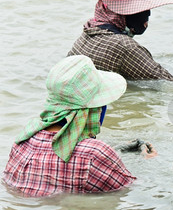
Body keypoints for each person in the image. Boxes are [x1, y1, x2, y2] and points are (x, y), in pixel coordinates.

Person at [2, 55, 155, 197]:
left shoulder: (23, 140)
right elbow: (134, 194)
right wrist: (148, 160)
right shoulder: (95, 153)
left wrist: (116, 151)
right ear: (96, 110)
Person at [67, 0, 173, 81]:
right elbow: (171, 83)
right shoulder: (126, 47)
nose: (147, 15)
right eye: (143, 9)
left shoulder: (87, 32)